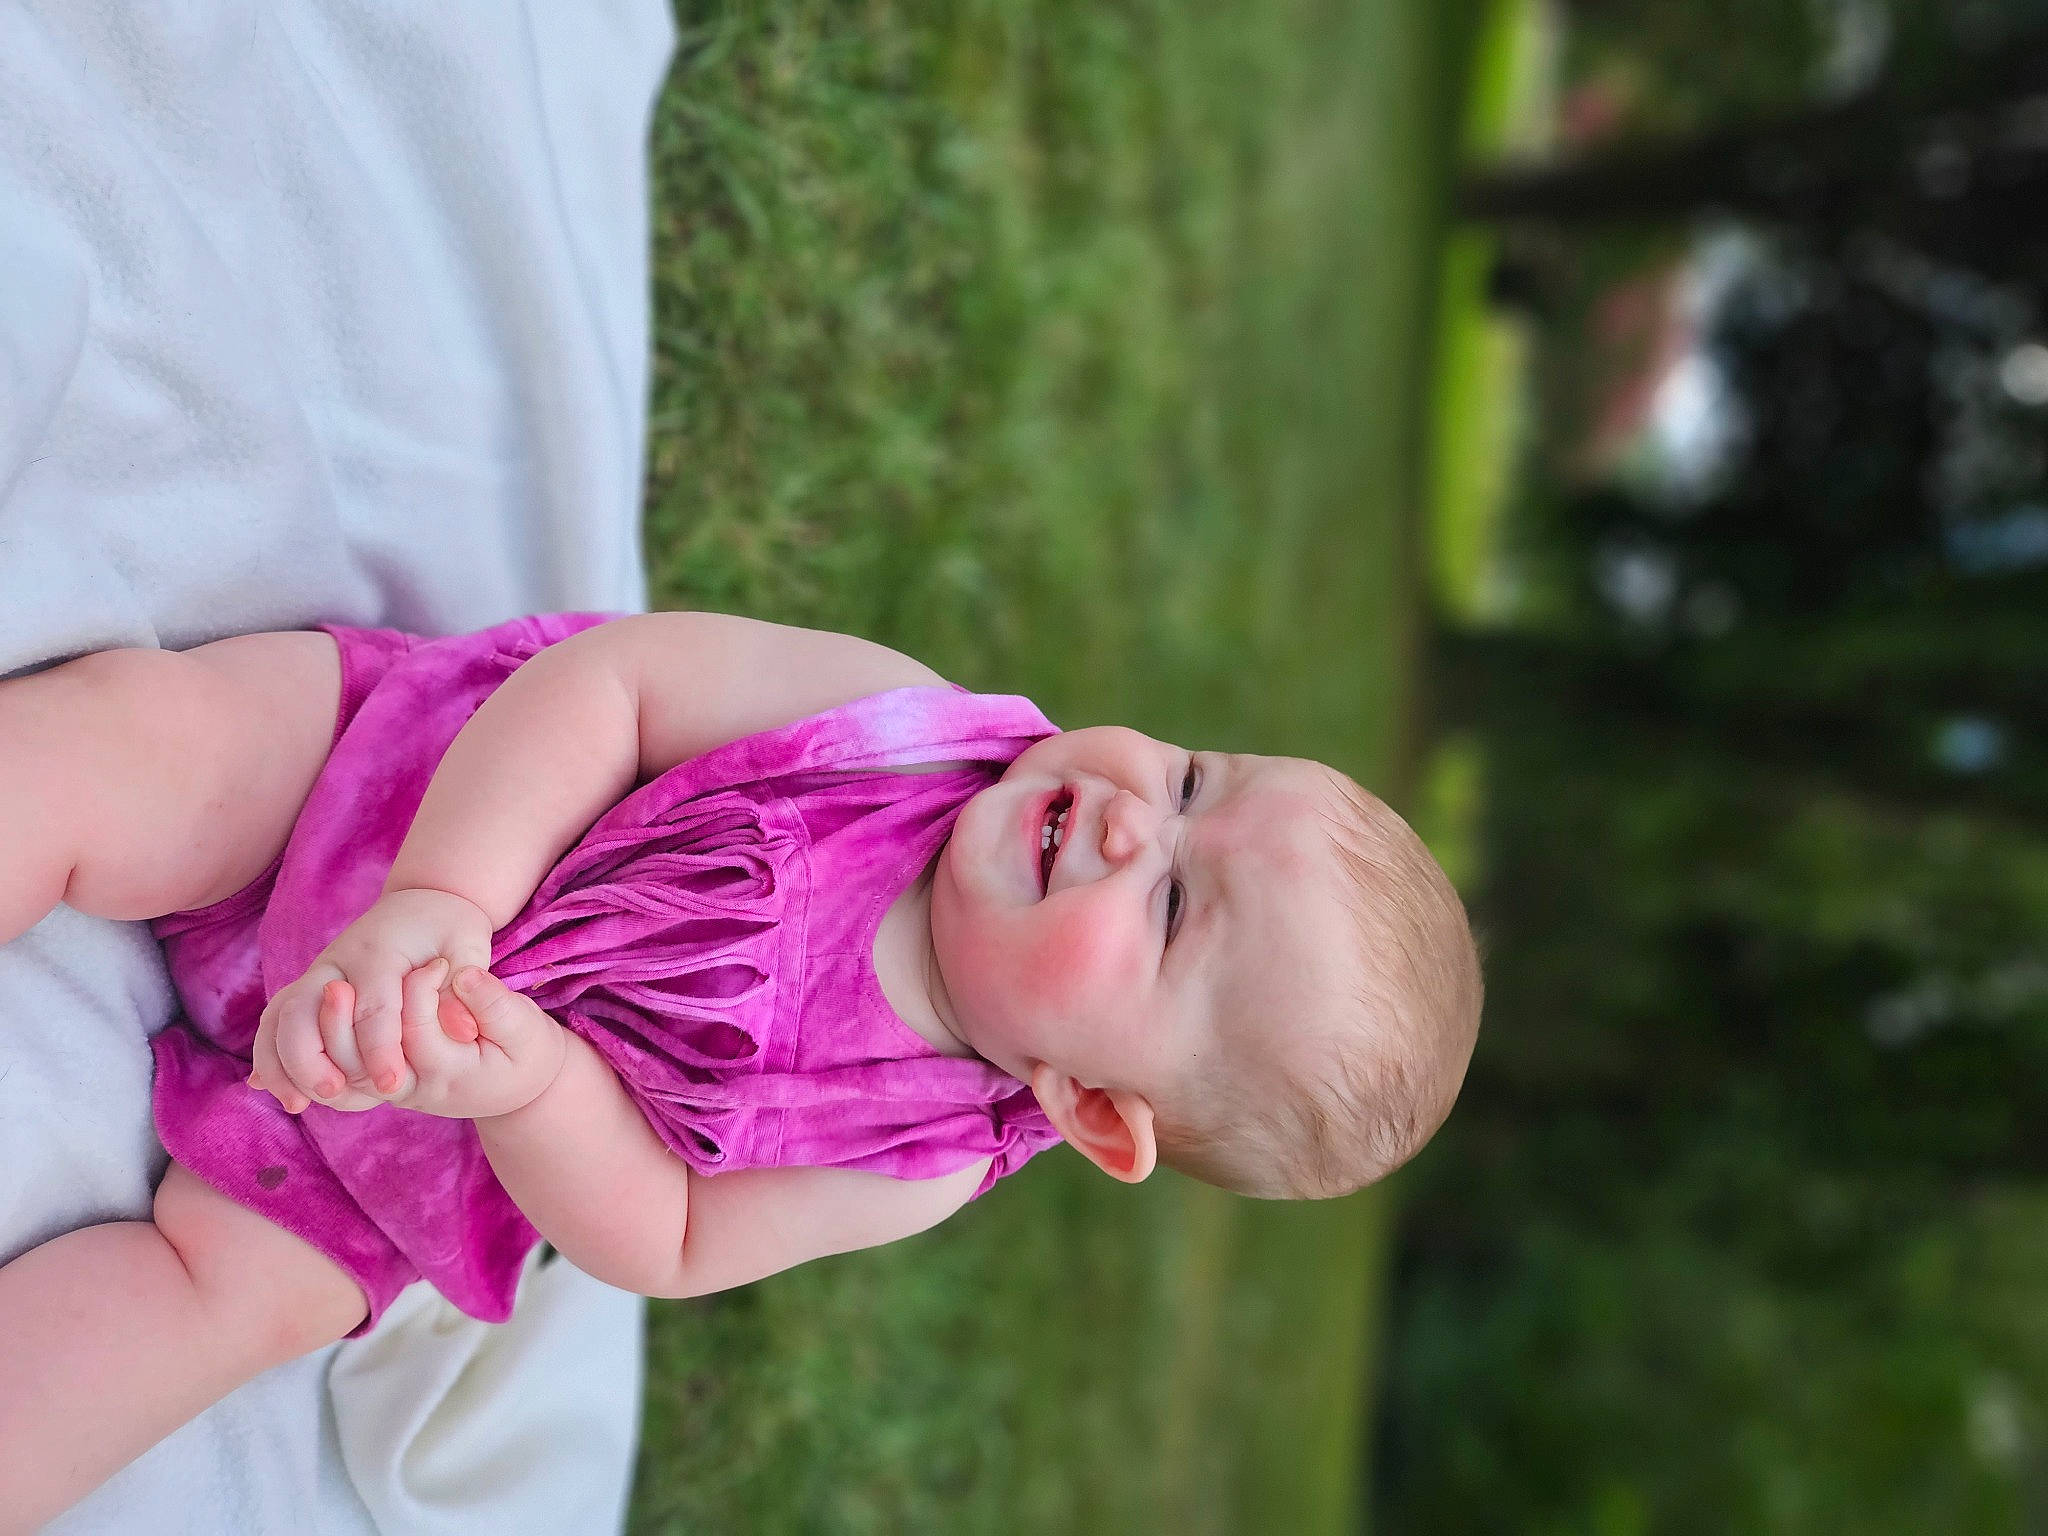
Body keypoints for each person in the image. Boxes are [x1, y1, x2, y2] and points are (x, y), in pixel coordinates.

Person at [0, 608, 1481, 1528]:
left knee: (211, 1307)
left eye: (1167, 908)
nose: (1130, 822)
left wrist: (523, 1089)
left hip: (411, 1132)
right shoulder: (901, 736)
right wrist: (443, 903)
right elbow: (613, 687)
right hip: (389, 799)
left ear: (1089, 1105)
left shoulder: (919, 1156)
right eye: (1196, 779)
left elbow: (676, 1234)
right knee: (137, 744)